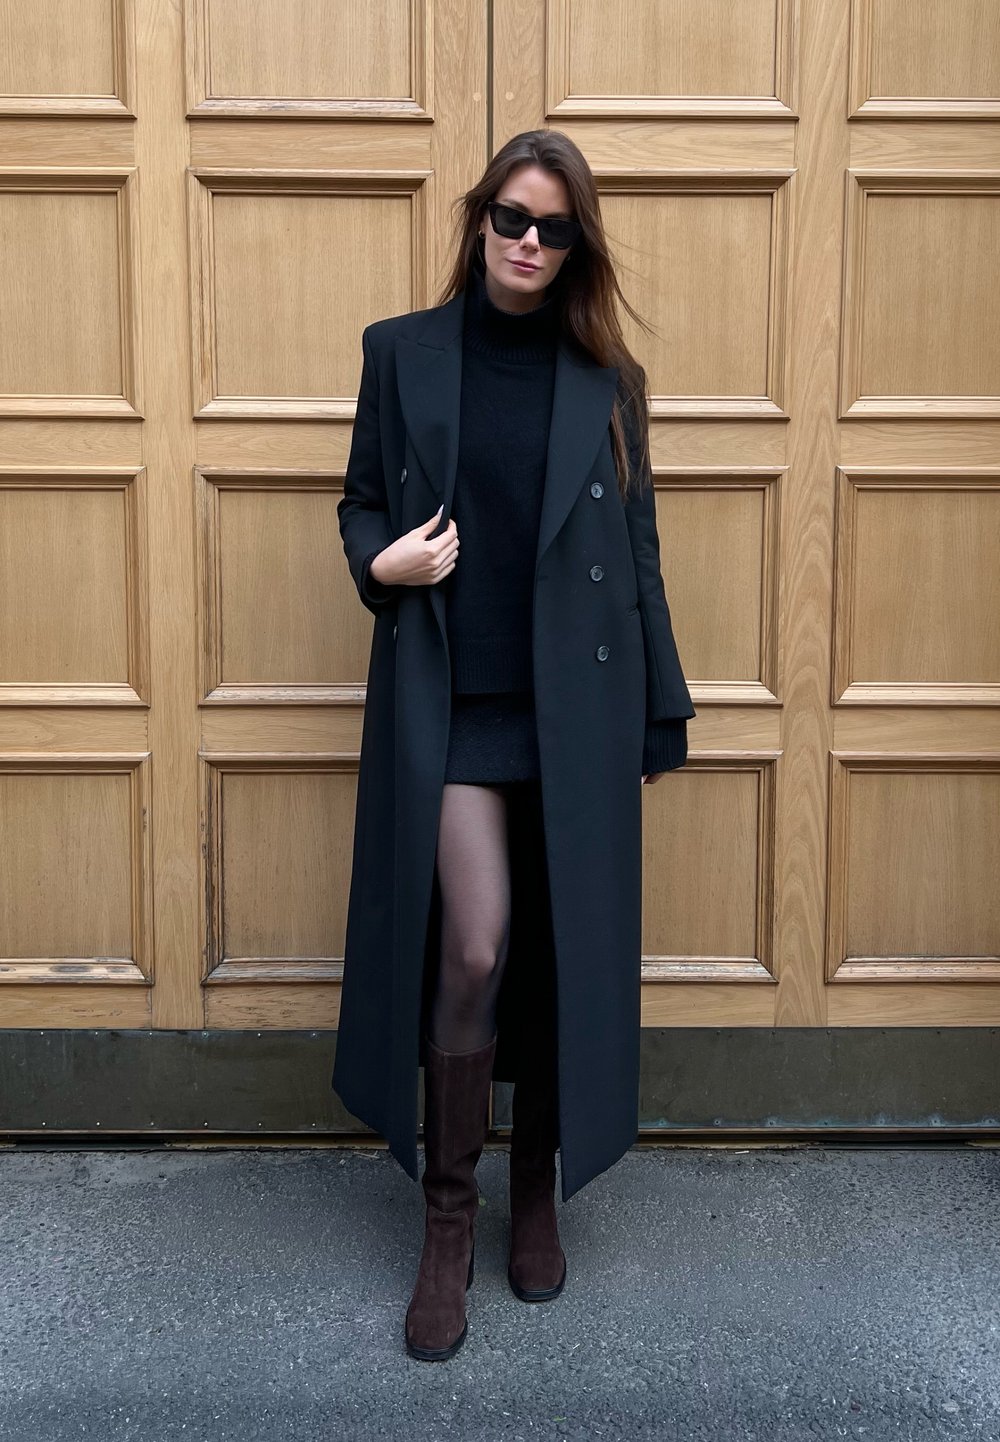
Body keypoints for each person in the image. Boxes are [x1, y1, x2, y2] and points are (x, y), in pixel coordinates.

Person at [333, 129, 695, 1362]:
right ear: (477, 218)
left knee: (550, 951)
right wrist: (381, 568)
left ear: (576, 245)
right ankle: (447, 1216)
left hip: (573, 708)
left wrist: (661, 701)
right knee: (477, 941)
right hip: (458, 703)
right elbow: (360, 499)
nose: (528, 243)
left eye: (553, 228)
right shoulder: (401, 351)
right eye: (510, 217)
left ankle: (530, 1186)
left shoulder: (607, 379)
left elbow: (637, 555)